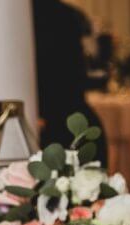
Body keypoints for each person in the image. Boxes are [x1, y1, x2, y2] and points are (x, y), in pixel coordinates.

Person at [31, 0, 107, 163]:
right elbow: (88, 72)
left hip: (56, 124)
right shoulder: (70, 14)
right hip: (74, 118)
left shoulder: (28, 14)